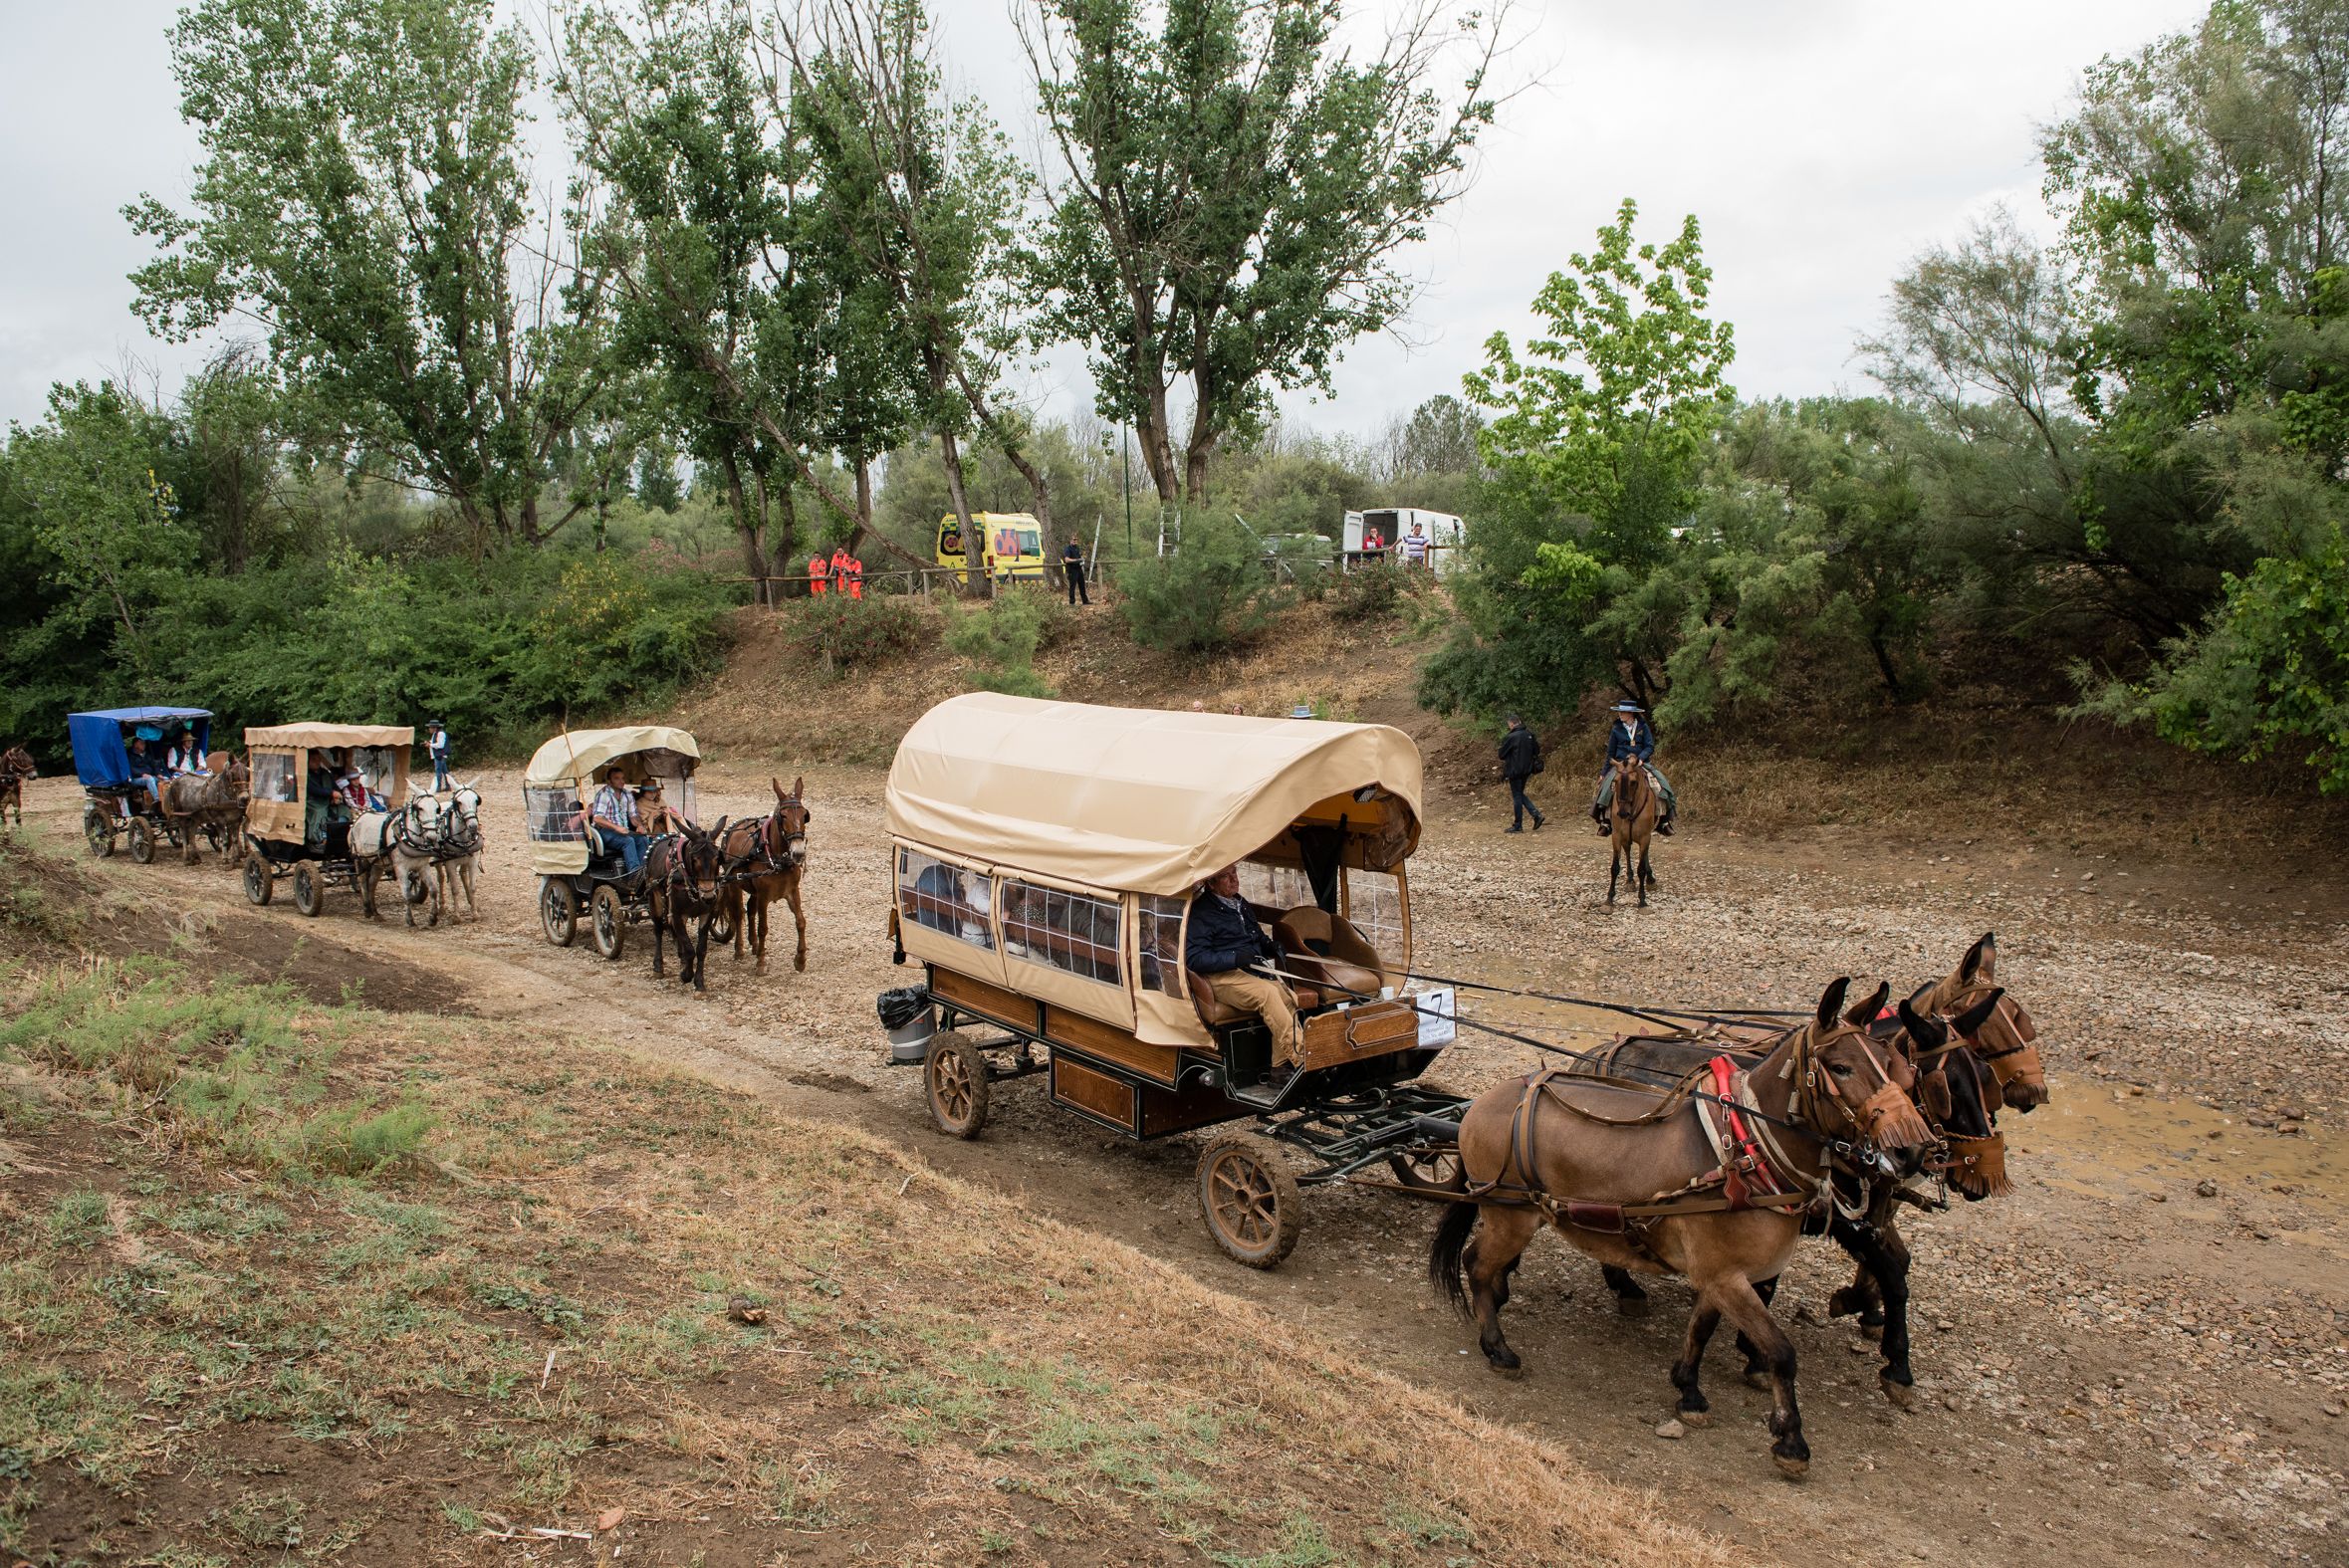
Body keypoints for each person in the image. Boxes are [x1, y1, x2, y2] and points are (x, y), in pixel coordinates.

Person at [1185, 865, 1301, 1067]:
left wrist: (1269, 946)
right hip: (1219, 976)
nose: (1234, 879)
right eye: (1226, 876)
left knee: (1288, 996)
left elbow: (1255, 936)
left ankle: (1281, 1067)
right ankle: (1301, 1056)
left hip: (1247, 971)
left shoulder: (1240, 903)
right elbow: (1194, 958)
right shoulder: (1201, 912)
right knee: (1267, 994)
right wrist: (1234, 958)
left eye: (1235, 873)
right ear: (1211, 883)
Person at [1592, 700, 1676, 835]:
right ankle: (1606, 821)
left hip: (1640, 763)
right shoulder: (1616, 728)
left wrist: (1641, 759)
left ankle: (1664, 821)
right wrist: (1604, 773)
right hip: (1621, 764)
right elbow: (1610, 753)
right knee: (1607, 787)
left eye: (1623, 712)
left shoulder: (1643, 727)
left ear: (1631, 713)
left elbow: (1649, 746)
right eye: (1619, 712)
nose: (1620, 714)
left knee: (1660, 784)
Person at [588, 769, 649, 875]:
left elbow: (633, 816)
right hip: (604, 831)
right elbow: (597, 819)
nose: (622, 781)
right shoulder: (603, 794)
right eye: (617, 778)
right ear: (609, 781)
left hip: (623, 830)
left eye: (623, 778)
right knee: (628, 841)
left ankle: (644, 871)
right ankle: (634, 874)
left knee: (642, 839)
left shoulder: (627, 794)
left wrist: (640, 825)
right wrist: (617, 828)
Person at [1498, 714, 1545, 833]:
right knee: (1519, 794)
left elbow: (1501, 755)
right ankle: (1536, 815)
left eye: (1509, 725)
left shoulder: (1511, 737)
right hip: (1527, 770)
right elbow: (1537, 751)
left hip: (1514, 770)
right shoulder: (1529, 734)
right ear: (1519, 722)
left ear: (1511, 724)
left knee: (1517, 796)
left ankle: (1518, 825)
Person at [1062, 538, 1089, 606]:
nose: (1075, 541)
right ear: (1070, 540)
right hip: (1072, 569)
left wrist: (1081, 560)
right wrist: (1077, 560)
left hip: (1079, 569)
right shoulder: (1067, 549)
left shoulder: (1077, 548)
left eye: (1076, 540)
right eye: (1074, 540)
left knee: (1082, 585)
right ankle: (1072, 603)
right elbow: (1067, 560)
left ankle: (1085, 601)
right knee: (1072, 586)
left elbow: (1080, 557)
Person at [425, 720, 451, 791]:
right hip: (439, 755)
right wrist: (429, 743)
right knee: (445, 772)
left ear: (435, 728)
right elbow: (434, 742)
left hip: (440, 755)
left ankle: (438, 787)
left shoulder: (440, 734)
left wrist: (430, 745)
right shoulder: (436, 734)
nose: (429, 729)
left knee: (438, 771)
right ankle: (448, 786)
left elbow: (440, 745)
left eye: (430, 727)